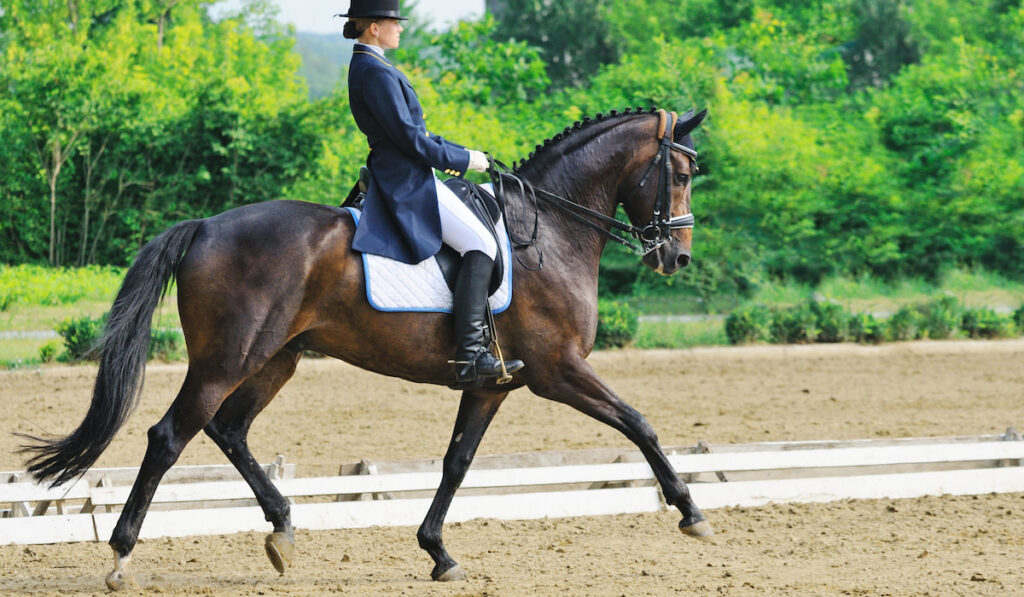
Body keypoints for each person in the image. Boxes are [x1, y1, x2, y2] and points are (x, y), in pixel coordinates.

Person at [339, 0, 523, 388]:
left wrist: (464, 153)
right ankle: (471, 354)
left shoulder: (375, 66)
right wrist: (463, 160)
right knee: (481, 244)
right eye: (395, 22)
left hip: (408, 172)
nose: (400, 28)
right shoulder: (373, 71)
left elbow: (418, 134)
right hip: (406, 181)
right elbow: (410, 140)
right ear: (374, 26)